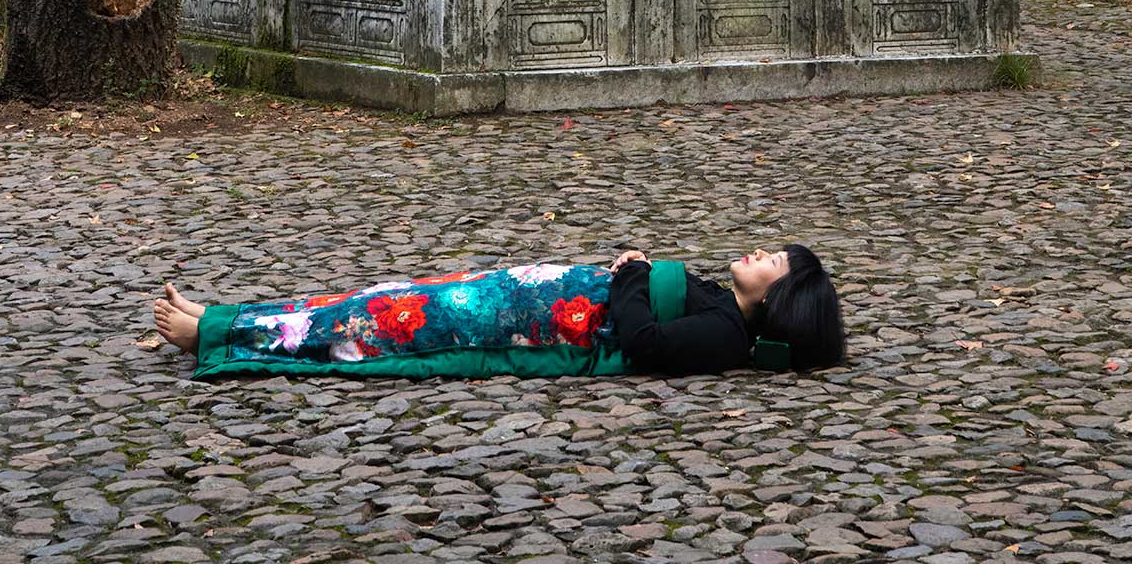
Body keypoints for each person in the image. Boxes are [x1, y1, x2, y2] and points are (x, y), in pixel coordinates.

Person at [152, 242, 844, 381]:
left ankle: (213, 334)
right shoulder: (724, 306)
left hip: (529, 322)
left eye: (771, 262)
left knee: (382, 327)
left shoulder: (725, 334)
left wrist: (633, 273)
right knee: (375, 302)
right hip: (527, 295)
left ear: (776, 299)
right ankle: (227, 316)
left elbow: (645, 346)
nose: (757, 252)